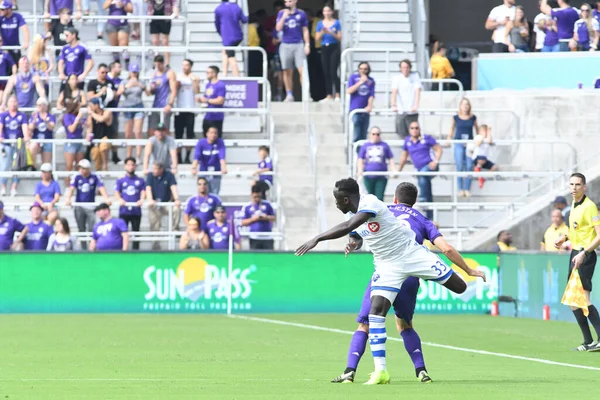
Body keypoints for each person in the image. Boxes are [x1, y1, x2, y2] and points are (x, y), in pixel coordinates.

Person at [295, 178, 469, 385]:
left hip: (412, 254)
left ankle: (362, 370)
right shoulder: (355, 213)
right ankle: (381, 371)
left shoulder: (372, 203)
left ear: (345, 199)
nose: (335, 204)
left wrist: (317, 238)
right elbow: (356, 232)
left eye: (336, 200)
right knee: (375, 313)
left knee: (460, 287)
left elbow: (350, 225)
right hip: (387, 266)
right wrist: (354, 242)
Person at [554, 173, 600, 351]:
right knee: (573, 301)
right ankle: (588, 342)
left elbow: (598, 235)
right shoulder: (574, 204)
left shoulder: (589, 207)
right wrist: (564, 238)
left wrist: (584, 253)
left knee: (583, 298)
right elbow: (577, 230)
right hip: (575, 253)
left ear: (584, 187)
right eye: (571, 184)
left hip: (585, 255)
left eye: (578, 185)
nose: (574, 188)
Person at [397, 121, 442, 220]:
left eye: (416, 128)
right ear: (409, 130)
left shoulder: (427, 138)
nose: (414, 130)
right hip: (420, 169)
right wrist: (398, 170)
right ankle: (429, 213)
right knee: (424, 182)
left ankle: (423, 198)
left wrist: (436, 161)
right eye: (412, 128)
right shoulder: (407, 141)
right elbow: (404, 156)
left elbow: (439, 149)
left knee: (422, 175)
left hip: (430, 166)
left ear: (420, 129)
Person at [64, 159, 111, 250]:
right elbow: (71, 189)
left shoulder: (95, 177)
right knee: (81, 228)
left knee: (91, 228)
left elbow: (101, 187)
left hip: (91, 206)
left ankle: (91, 248)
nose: (81, 170)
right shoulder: (77, 177)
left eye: (84, 168)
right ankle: (83, 248)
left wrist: (107, 199)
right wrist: (68, 199)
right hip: (79, 206)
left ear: (88, 169)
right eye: (80, 168)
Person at [276, 0, 309, 102]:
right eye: (286, 1)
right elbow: (278, 28)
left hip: (298, 43)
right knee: (287, 71)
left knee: (302, 70)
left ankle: (306, 94)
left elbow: (305, 29)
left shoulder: (301, 13)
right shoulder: (281, 13)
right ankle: (289, 94)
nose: (288, 3)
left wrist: (307, 44)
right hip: (285, 44)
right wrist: (284, 16)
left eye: (290, 1)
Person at [145, 161, 181, 249]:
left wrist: (176, 199)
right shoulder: (150, 176)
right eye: (153, 168)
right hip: (154, 204)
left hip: (166, 203)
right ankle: (155, 244)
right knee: (154, 222)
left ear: (161, 169)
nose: (153, 170)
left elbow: (173, 187)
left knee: (176, 209)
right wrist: (150, 199)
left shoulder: (169, 175)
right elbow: (148, 188)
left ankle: (175, 229)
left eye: (155, 169)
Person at [0, 94, 29, 197]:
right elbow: (1, 127)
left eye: (14, 101)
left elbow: (25, 128)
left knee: (17, 166)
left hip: (18, 144)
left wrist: (26, 137)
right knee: (4, 166)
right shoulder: (3, 115)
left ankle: (14, 187)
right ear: (7, 103)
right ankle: (3, 187)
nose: (13, 104)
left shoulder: (22, 115)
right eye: (11, 101)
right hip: (6, 143)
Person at [448, 98, 478, 198]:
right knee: (460, 165)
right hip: (459, 142)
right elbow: (452, 128)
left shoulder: (473, 117)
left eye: (467, 105)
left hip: (470, 143)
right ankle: (460, 189)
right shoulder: (456, 117)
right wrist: (449, 138)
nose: (465, 106)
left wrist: (479, 140)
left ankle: (467, 188)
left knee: (469, 166)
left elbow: (477, 130)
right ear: (460, 106)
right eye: (463, 104)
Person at [114, 157, 146, 250]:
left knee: (136, 232)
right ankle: (122, 250)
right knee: (122, 232)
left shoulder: (140, 180)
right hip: (124, 210)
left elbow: (143, 191)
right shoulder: (121, 180)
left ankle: (136, 251)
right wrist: (120, 199)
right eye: (129, 165)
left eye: (133, 165)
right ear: (125, 166)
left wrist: (142, 199)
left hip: (136, 210)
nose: (131, 167)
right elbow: (116, 192)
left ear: (135, 166)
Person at [357, 127, 396, 201]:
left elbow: (390, 158)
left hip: (381, 176)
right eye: (373, 134)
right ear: (370, 135)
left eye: (377, 134)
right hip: (368, 175)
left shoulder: (384, 145)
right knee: (370, 197)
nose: (375, 136)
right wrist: (360, 170)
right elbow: (360, 159)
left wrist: (393, 169)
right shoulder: (365, 146)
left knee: (379, 198)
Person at [175, 59, 200, 164]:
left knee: (189, 134)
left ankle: (187, 156)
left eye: (186, 65)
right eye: (183, 65)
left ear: (190, 66)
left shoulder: (195, 77)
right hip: (180, 108)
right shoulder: (178, 77)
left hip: (190, 109)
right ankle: (179, 156)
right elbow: (174, 91)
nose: (184, 67)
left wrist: (193, 81)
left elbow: (197, 91)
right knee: (179, 135)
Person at [214, 0, 248, 77]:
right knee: (225, 52)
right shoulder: (236, 7)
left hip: (227, 36)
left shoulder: (219, 9)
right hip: (238, 35)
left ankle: (236, 76)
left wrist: (221, 33)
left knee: (231, 56)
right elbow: (244, 20)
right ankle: (224, 73)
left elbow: (217, 24)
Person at [315, 4, 341, 102]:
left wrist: (331, 33)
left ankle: (337, 94)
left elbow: (339, 38)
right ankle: (329, 94)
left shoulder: (337, 23)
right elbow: (317, 38)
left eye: (328, 11)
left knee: (333, 71)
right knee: (326, 72)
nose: (326, 13)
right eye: (325, 11)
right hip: (324, 47)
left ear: (332, 12)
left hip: (334, 47)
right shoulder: (320, 24)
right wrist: (322, 32)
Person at [191, 126, 227, 195]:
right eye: (211, 133)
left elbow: (222, 157)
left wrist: (224, 167)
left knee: (215, 193)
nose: (213, 135)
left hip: (215, 172)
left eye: (215, 133)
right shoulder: (201, 143)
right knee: (202, 192)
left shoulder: (220, 142)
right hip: (203, 172)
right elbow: (197, 157)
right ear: (207, 134)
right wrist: (194, 168)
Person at [391, 60, 422, 139]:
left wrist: (416, 105)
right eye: (403, 67)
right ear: (400, 68)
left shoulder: (415, 77)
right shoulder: (397, 78)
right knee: (401, 132)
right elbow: (394, 92)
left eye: (407, 67)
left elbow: (417, 91)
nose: (405, 69)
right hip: (401, 109)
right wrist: (393, 104)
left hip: (412, 110)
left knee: (414, 133)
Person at [146, 55, 176, 136]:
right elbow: (151, 93)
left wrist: (170, 104)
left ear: (163, 63)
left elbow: (173, 91)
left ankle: (167, 148)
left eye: (159, 65)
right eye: (156, 65)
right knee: (151, 130)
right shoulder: (154, 74)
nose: (158, 67)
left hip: (165, 104)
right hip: (156, 104)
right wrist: (152, 89)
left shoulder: (169, 73)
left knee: (165, 129)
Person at [121, 63, 146, 161]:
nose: (134, 74)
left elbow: (148, 93)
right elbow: (120, 92)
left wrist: (141, 85)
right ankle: (129, 156)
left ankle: (138, 156)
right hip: (128, 107)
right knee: (128, 134)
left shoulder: (141, 81)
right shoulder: (125, 81)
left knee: (138, 132)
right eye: (133, 72)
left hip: (138, 106)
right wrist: (128, 86)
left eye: (136, 72)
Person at [58, 27, 94, 92]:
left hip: (77, 78)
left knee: (78, 98)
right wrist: (61, 73)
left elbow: (91, 62)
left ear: (73, 35)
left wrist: (84, 74)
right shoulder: (65, 48)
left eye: (67, 35)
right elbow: (60, 62)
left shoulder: (82, 47)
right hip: (67, 78)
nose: (65, 37)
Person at [61, 96, 86, 187]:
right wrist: (77, 119)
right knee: (69, 165)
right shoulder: (67, 116)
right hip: (71, 141)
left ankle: (77, 184)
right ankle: (67, 185)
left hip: (79, 140)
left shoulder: (79, 116)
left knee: (79, 165)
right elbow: (71, 129)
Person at [241, 185, 276, 250]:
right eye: (255, 197)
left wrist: (266, 217)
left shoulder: (267, 204)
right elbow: (242, 222)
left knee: (269, 258)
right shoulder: (247, 206)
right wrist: (253, 219)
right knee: (255, 259)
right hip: (254, 237)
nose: (257, 199)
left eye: (259, 197)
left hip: (267, 237)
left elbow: (274, 218)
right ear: (251, 195)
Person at [347, 62, 375, 143]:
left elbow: (371, 95)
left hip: (365, 111)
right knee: (356, 133)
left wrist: (370, 105)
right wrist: (360, 82)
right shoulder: (353, 78)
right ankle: (355, 152)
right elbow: (349, 91)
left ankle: (361, 153)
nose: (363, 71)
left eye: (365, 69)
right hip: (355, 109)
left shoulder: (371, 80)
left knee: (363, 134)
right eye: (361, 69)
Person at [147, 0, 179, 66]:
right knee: (155, 41)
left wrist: (175, 11)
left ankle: (167, 63)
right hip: (153, 17)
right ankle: (156, 62)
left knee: (165, 42)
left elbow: (174, 4)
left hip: (166, 18)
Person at [198, 65, 226, 138]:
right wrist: (201, 100)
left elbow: (220, 100)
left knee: (216, 137)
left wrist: (207, 100)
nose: (206, 74)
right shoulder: (208, 84)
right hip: (208, 115)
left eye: (208, 72)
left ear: (214, 73)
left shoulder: (220, 85)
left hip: (217, 116)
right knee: (206, 136)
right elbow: (208, 97)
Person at [87, 97, 113, 171]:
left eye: (91, 105)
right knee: (95, 152)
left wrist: (91, 113)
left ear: (96, 105)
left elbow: (101, 119)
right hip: (96, 138)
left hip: (106, 136)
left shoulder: (107, 112)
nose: (90, 107)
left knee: (103, 145)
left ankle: (105, 165)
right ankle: (99, 170)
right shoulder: (91, 116)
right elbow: (90, 128)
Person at [103, 0, 133, 65]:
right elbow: (104, 7)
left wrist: (123, 5)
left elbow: (131, 10)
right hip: (112, 24)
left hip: (123, 24)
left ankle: (126, 63)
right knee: (114, 46)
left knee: (123, 45)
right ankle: (117, 64)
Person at [28, 98, 55, 169]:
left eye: (40, 105)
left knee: (46, 164)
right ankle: (33, 166)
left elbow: (51, 127)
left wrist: (46, 121)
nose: (38, 107)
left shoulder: (50, 116)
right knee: (32, 146)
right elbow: (30, 128)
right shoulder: (34, 116)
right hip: (37, 140)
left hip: (47, 139)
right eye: (38, 105)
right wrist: (34, 120)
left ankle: (45, 172)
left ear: (45, 106)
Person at [0, 0, 29, 65]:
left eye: (2, 9)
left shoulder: (17, 16)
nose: (0, 11)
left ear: (9, 9)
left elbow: (25, 28)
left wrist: (26, 42)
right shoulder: (0, 18)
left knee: (16, 65)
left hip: (15, 47)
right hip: (4, 48)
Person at [472, 125, 498, 189]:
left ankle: (482, 178)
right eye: (484, 131)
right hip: (477, 158)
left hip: (484, 159)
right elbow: (478, 143)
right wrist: (482, 137)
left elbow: (489, 141)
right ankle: (477, 168)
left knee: (494, 167)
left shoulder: (488, 138)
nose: (486, 133)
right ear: (480, 132)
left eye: (486, 131)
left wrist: (489, 131)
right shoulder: (478, 137)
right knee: (481, 159)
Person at [0, 37, 16, 101]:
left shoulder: (5, 54)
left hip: (2, 83)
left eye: (0, 41)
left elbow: (13, 65)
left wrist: (14, 75)